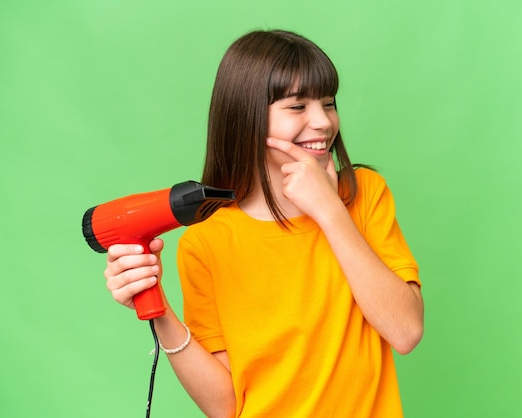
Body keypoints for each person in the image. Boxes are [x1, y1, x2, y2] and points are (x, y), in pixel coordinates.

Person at [104, 29, 424, 418]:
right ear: (246, 116)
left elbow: (405, 331)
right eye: (297, 106)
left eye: (328, 102)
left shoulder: (364, 194)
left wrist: (330, 211)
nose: (323, 121)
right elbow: (225, 406)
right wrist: (157, 308)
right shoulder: (206, 243)